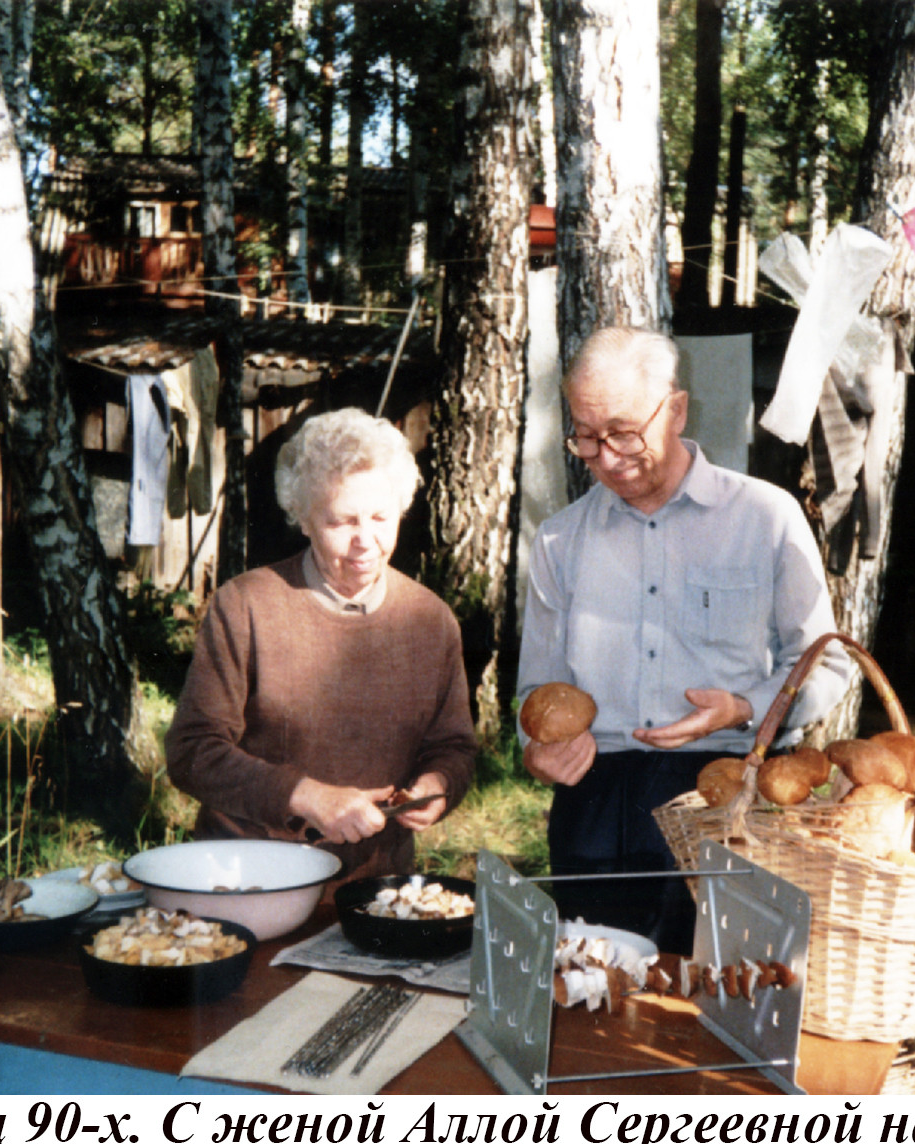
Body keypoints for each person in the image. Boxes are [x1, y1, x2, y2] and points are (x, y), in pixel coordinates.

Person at [517, 326, 849, 952]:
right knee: (599, 994)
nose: (606, 458)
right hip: (596, 800)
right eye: (586, 437)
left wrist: (748, 707)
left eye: (621, 432)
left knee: (726, 988)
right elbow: (537, 692)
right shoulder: (561, 541)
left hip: (728, 788)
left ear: (675, 410)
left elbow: (827, 665)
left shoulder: (765, 518)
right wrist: (538, 752)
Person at [165, 407, 477, 883]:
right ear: (303, 519)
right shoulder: (245, 606)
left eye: (380, 517)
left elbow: (453, 747)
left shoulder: (431, 621)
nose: (365, 541)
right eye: (341, 521)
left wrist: (437, 785)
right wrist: (306, 796)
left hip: (376, 888)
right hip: (248, 879)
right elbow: (192, 752)